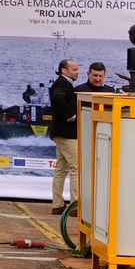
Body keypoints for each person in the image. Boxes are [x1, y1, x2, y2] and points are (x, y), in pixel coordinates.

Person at [49, 58, 80, 214]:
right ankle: (75, 206)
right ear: (64, 70)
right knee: (76, 168)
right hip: (66, 134)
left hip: (60, 133)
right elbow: (57, 97)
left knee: (61, 169)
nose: (77, 72)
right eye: (74, 69)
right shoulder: (62, 83)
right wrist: (71, 114)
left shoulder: (64, 83)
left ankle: (58, 204)